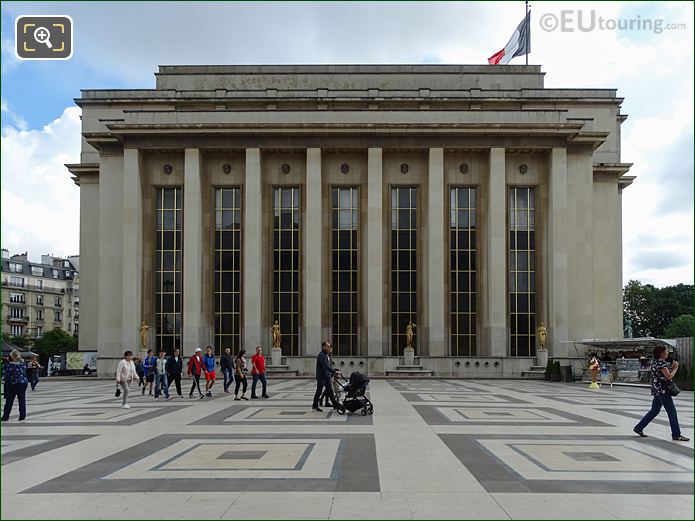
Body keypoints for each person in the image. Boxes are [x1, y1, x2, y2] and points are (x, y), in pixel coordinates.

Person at [633, 345, 689, 442]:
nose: (667, 353)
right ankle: (676, 434)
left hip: (656, 390)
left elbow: (662, 375)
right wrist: (675, 368)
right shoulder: (662, 363)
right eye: (666, 351)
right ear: (661, 353)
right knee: (672, 412)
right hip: (663, 391)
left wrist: (670, 368)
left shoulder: (655, 363)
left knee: (654, 411)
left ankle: (639, 428)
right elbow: (669, 376)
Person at [2, 350, 28, 422]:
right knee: (22, 400)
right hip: (23, 383)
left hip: (13, 384)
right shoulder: (23, 363)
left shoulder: (9, 365)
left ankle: (5, 416)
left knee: (9, 400)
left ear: (11, 356)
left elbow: (5, 374)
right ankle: (22, 416)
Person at [312, 341, 338, 412]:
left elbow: (329, 365)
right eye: (327, 346)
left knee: (330, 391)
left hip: (327, 376)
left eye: (329, 346)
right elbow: (325, 366)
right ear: (323, 347)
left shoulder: (326, 355)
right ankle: (314, 406)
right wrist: (334, 371)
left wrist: (331, 373)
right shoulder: (321, 355)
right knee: (319, 392)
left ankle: (335, 405)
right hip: (321, 377)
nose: (329, 347)